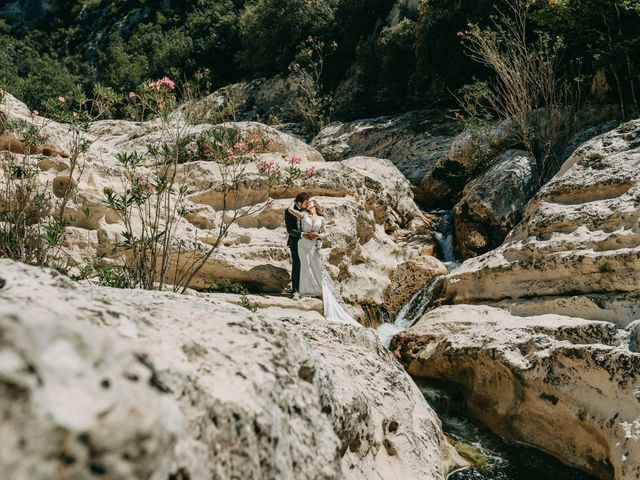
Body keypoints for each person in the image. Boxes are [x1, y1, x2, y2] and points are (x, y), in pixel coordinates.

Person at [287, 199, 359, 326]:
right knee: (305, 266)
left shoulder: (321, 218)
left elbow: (325, 233)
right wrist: (294, 201)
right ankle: (304, 292)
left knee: (317, 268)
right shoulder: (303, 215)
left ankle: (318, 291)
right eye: (306, 203)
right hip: (302, 245)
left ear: (314, 205)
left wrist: (317, 235)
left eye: (309, 203)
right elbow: (289, 210)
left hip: (314, 246)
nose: (307, 204)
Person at [285, 192, 311, 300]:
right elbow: (290, 230)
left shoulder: (309, 209)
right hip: (295, 241)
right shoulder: (289, 212)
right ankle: (295, 291)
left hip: (308, 242)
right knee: (297, 265)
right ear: (299, 203)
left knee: (308, 264)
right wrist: (302, 234)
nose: (308, 204)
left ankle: (307, 289)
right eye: (306, 203)